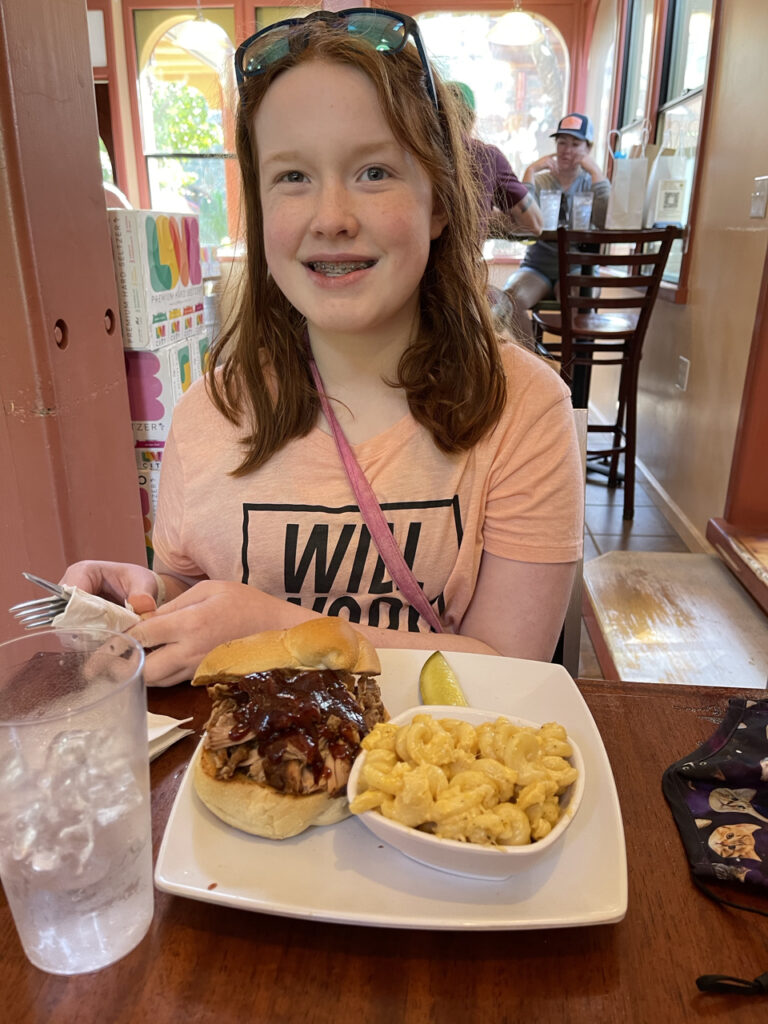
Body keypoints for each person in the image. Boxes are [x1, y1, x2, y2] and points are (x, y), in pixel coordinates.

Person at [62, 9, 584, 686]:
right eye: (293, 177)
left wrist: (279, 632)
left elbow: (515, 673)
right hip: (237, 776)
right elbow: (187, 591)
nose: (332, 217)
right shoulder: (208, 412)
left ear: (439, 203)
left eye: (374, 172)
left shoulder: (525, 410)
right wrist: (143, 603)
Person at [504, 112, 611, 346]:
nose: (567, 150)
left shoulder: (592, 182)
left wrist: (595, 172)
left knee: (576, 301)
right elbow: (522, 219)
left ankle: (569, 374)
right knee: (510, 299)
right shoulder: (541, 181)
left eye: (575, 144)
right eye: (562, 142)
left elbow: (605, 220)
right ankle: (535, 363)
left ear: (588, 148)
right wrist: (531, 171)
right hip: (537, 266)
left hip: (575, 267)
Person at [447, 81, 543, 241]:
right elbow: (534, 224)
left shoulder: (410, 152)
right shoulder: (487, 157)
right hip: (462, 265)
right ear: (472, 118)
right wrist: (481, 216)